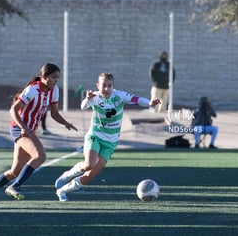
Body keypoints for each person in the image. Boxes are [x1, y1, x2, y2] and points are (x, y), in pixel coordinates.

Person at [0, 63, 77, 204]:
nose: (56, 80)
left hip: (29, 130)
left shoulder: (54, 90)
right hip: (20, 129)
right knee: (40, 155)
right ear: (44, 77)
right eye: (53, 77)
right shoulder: (33, 89)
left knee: (15, 171)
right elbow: (13, 110)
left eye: (58, 78)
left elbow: (54, 114)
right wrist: (23, 127)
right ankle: (15, 186)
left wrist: (66, 123)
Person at [54, 72, 160, 202]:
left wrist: (150, 102)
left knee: (90, 175)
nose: (106, 89)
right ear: (98, 85)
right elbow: (83, 107)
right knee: (89, 164)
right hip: (95, 135)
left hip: (110, 142)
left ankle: (62, 191)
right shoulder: (94, 96)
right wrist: (87, 98)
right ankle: (67, 175)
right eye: (104, 85)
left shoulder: (119, 96)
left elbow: (136, 100)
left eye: (109, 86)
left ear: (113, 86)